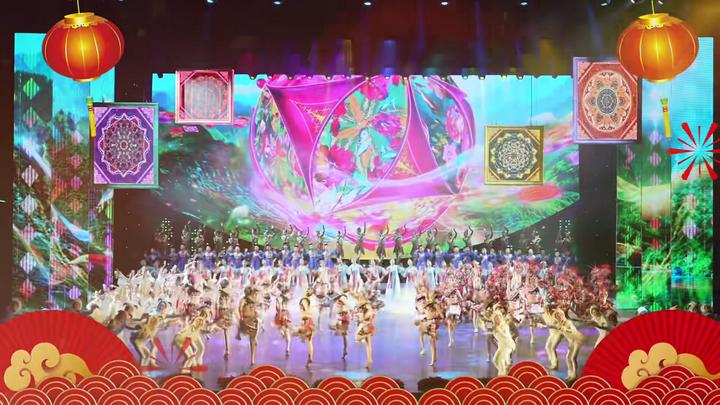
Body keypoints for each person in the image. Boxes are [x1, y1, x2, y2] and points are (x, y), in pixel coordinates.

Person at [237, 286, 261, 365]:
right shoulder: (253, 300)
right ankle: (252, 359)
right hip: (252, 319)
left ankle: (239, 333)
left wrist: (241, 317)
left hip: (248, 319)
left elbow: (240, 309)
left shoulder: (243, 300)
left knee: (251, 338)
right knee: (252, 339)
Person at [294, 288, 316, 366]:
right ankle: (310, 358)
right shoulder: (309, 300)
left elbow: (305, 311)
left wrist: (303, 322)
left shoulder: (304, 300)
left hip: (306, 321)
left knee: (308, 340)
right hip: (310, 321)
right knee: (309, 341)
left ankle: (310, 359)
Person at [355, 299, 376, 369]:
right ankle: (369, 360)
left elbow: (362, 320)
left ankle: (370, 360)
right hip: (369, 327)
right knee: (368, 345)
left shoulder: (364, 312)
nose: (359, 309)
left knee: (357, 338)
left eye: (360, 307)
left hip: (366, 328)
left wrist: (360, 315)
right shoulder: (370, 310)